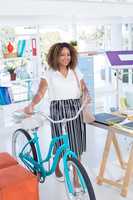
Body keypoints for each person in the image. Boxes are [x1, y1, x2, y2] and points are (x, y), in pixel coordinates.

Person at [24, 42, 90, 183]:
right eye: (62, 55)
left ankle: (76, 177)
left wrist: (86, 94)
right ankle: (56, 164)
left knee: (76, 144)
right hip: (58, 110)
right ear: (55, 56)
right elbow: (40, 93)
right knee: (60, 141)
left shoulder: (75, 71)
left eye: (68, 54)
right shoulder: (49, 73)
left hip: (75, 109)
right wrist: (32, 104)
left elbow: (84, 88)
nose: (66, 58)